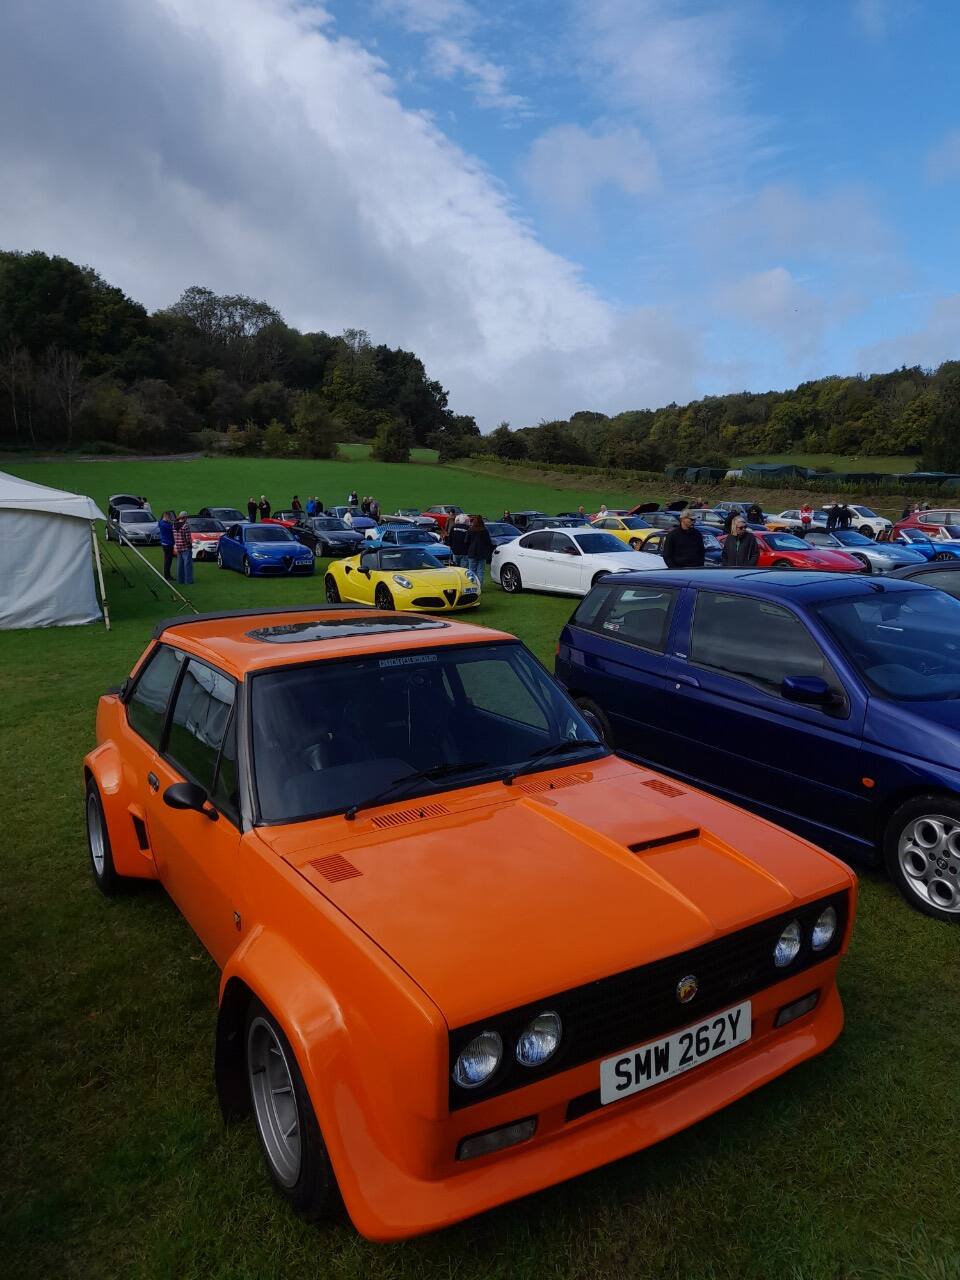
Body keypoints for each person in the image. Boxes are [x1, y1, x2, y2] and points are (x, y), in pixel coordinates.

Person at [465, 514, 494, 583]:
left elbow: (466, 541)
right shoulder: (484, 530)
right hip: (482, 553)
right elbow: (488, 542)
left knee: (472, 570)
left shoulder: (470, 529)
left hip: (472, 552)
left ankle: (473, 584)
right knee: (480, 570)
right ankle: (479, 585)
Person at [173, 511, 194, 585]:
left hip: (178, 547)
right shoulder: (185, 526)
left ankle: (180, 580)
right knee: (187, 565)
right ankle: (188, 581)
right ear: (185, 517)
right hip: (185, 547)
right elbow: (188, 538)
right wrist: (190, 544)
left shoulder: (174, 525)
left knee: (180, 565)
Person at [158, 510, 175, 580]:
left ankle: (167, 575)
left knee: (167, 560)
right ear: (166, 516)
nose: (170, 518)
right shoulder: (166, 525)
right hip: (168, 544)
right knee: (168, 561)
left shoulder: (161, 523)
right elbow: (173, 529)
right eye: (169, 517)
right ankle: (167, 576)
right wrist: (171, 523)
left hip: (165, 543)